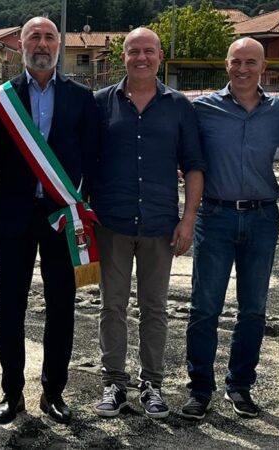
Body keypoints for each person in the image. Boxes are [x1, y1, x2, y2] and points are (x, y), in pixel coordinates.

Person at [0, 17, 98, 425]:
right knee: (8, 306)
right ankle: (11, 393)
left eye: (50, 37)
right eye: (35, 36)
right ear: (20, 44)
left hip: (62, 219)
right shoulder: (1, 98)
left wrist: (84, 208)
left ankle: (54, 392)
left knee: (62, 306)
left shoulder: (82, 98)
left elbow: (91, 158)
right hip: (14, 216)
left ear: (59, 45)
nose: (42, 43)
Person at [91, 27, 205, 419]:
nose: (141, 58)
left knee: (155, 308)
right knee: (112, 306)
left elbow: (193, 166)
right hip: (111, 223)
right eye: (133, 51)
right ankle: (114, 384)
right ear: (123, 57)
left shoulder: (179, 107)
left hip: (160, 224)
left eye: (149, 51)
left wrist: (188, 220)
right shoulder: (100, 104)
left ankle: (152, 385)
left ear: (160, 56)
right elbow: (83, 161)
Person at [180, 38, 279, 421]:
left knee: (254, 309)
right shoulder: (203, 110)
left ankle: (240, 386)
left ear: (263, 67)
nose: (243, 69)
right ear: (226, 65)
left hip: (262, 218)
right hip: (215, 217)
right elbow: (184, 158)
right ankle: (199, 390)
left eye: (251, 62)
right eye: (236, 62)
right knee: (205, 307)